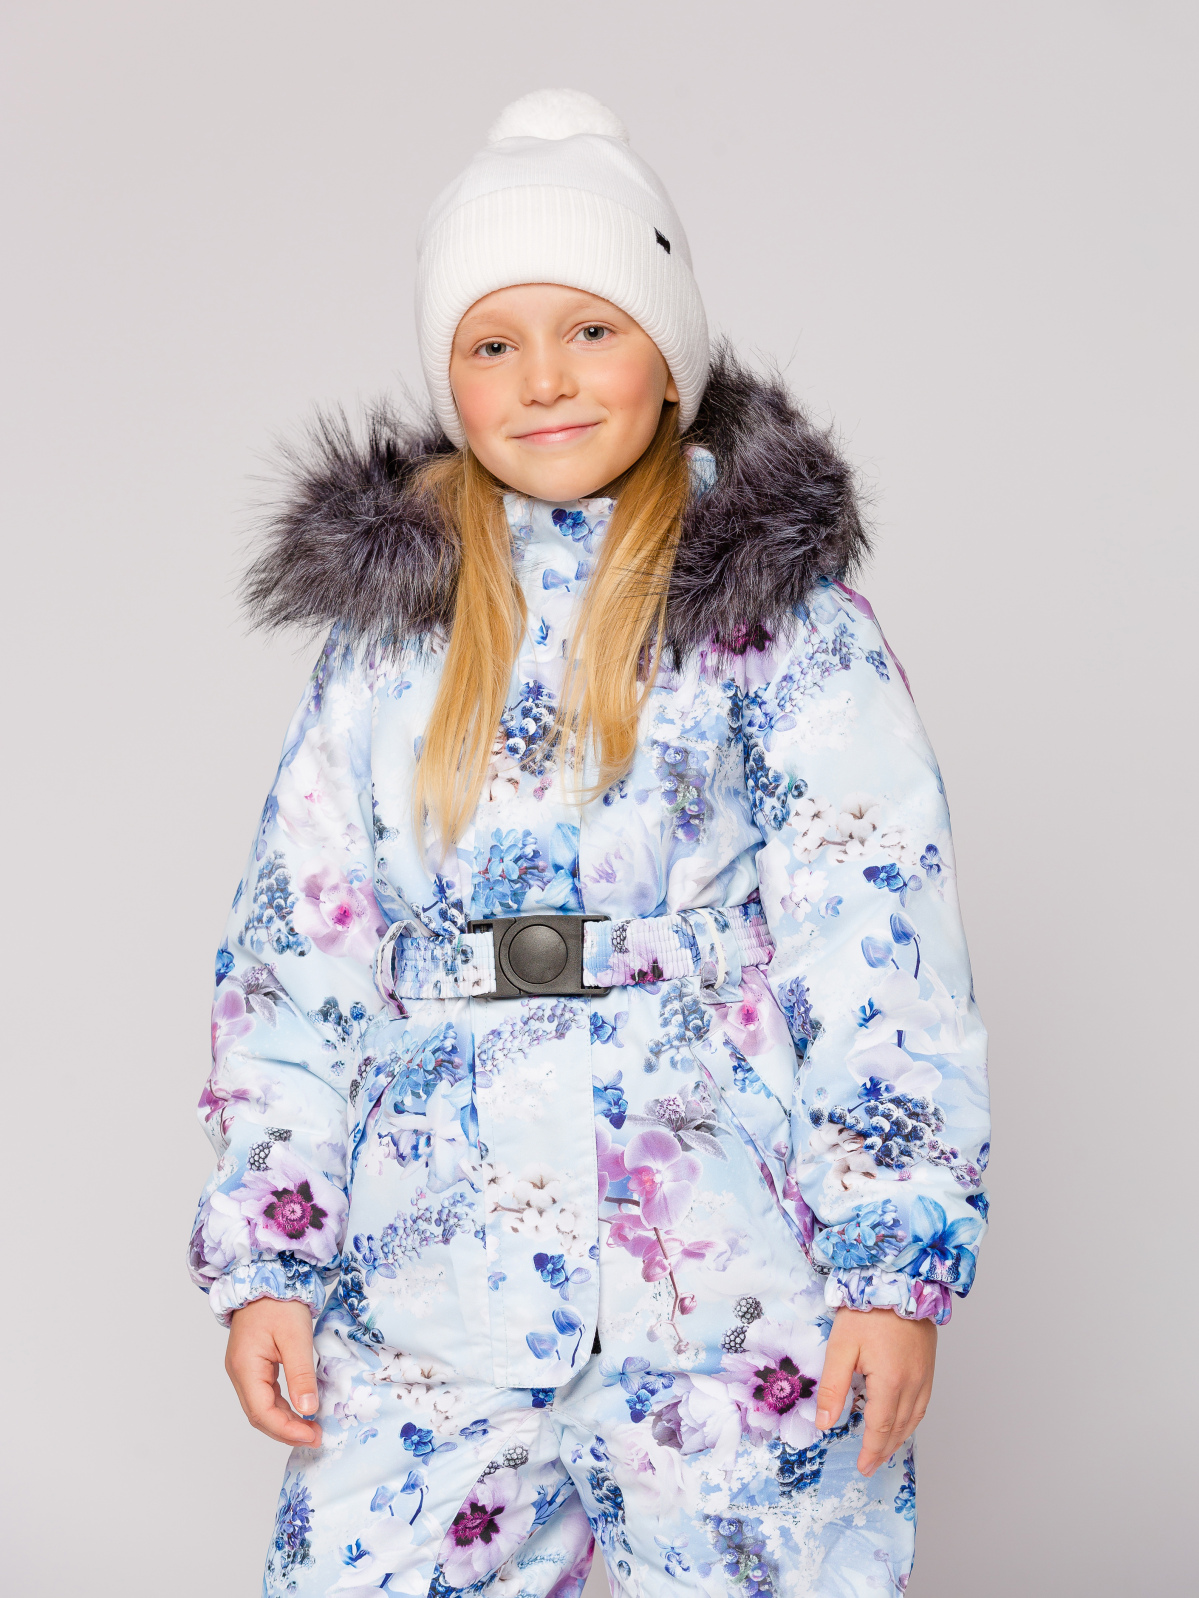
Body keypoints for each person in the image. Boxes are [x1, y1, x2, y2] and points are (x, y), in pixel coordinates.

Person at [190, 88, 989, 1598]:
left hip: (729, 1291)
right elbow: (296, 961)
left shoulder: (776, 624)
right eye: (492, 343)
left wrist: (895, 1263)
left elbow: (877, 937)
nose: (544, 379)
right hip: (434, 1300)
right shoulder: (390, 642)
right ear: (449, 378)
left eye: (593, 328)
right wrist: (270, 1262)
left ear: (670, 357)